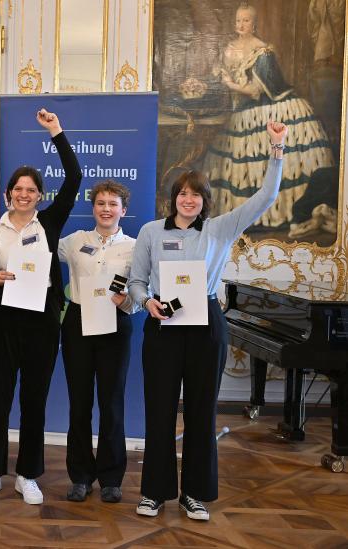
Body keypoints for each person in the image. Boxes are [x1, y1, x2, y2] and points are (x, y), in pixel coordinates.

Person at [129, 121, 287, 522]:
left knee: (201, 413)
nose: (188, 200)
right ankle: (154, 493)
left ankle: (194, 495)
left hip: (206, 325)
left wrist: (277, 149)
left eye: (196, 194)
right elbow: (136, 281)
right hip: (163, 326)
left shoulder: (220, 230)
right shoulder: (150, 232)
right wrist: (146, 302)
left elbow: (266, 197)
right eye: (182, 193)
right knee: (159, 410)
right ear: (173, 198)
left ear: (205, 201)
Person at [0, 109, 81, 506]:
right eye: (17, 189)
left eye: (31, 189)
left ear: (39, 196)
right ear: (8, 194)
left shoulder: (49, 223)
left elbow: (75, 177)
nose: (23, 194)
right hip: (3, 323)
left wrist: (56, 131)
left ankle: (28, 475)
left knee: (35, 400)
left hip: (41, 324)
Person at [202, 3, 334, 238]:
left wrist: (230, 84)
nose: (241, 24)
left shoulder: (262, 51)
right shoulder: (229, 49)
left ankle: (279, 214)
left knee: (270, 161)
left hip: (267, 110)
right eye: (238, 20)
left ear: (254, 24)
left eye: (246, 20)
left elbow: (255, 91)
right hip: (241, 112)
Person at [57, 180, 138, 504]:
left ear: (123, 210)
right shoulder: (74, 241)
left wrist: (128, 301)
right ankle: (80, 476)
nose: (106, 209)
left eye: (112, 204)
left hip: (116, 323)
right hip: (78, 322)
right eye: (101, 203)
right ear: (93, 208)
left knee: (112, 403)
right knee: (79, 403)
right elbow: (38, 251)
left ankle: (111, 478)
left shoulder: (135, 247)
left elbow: (142, 288)